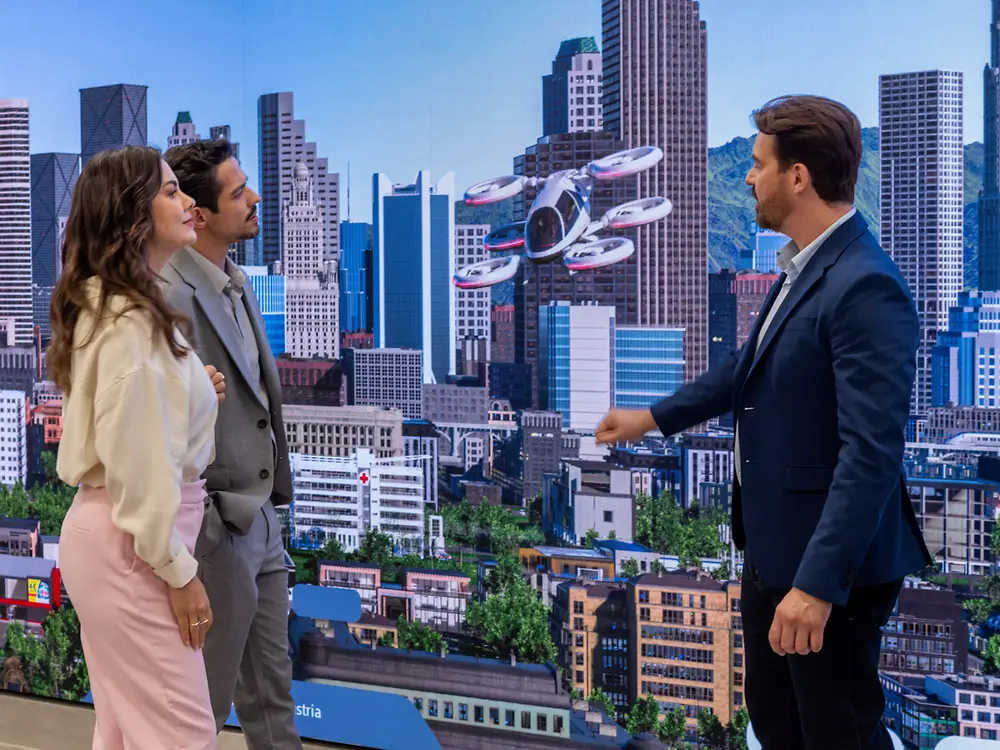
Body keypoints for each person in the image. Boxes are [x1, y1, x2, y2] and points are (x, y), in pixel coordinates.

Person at [596, 95, 932, 749]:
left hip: (827, 575)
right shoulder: (800, 270)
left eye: (758, 164)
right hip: (775, 555)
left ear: (798, 176)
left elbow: (871, 453)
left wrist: (816, 587)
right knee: (779, 726)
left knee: (835, 734)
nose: (748, 177)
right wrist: (650, 420)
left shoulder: (866, 285)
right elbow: (743, 370)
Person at [50, 146, 227, 749]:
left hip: (112, 541)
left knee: (124, 733)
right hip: (137, 549)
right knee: (183, 735)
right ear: (132, 216)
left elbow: (131, 419)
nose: (189, 203)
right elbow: (138, 470)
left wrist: (191, 392)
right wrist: (180, 574)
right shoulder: (132, 324)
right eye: (172, 191)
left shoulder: (110, 307)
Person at [159, 139, 300, 750]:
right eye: (238, 192)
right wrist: (209, 527)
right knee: (204, 707)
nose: (255, 198)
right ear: (201, 212)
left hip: (261, 518)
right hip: (216, 528)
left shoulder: (237, 282)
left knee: (274, 698)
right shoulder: (168, 293)